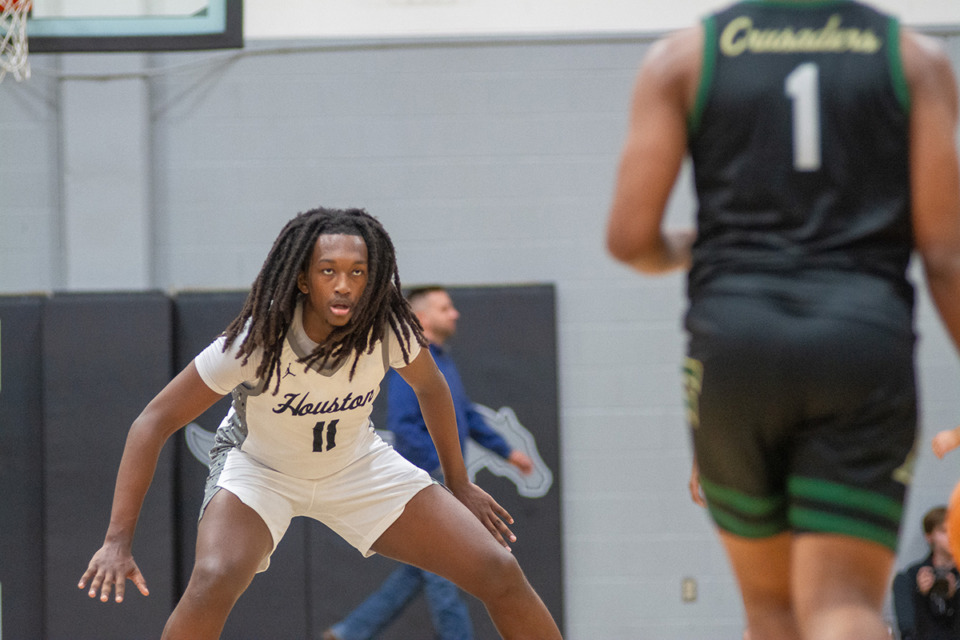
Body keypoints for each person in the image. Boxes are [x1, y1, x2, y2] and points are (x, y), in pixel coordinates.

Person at [605, 1, 960, 638]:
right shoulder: (917, 60)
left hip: (735, 346)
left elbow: (631, 240)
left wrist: (699, 246)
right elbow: (946, 255)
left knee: (772, 615)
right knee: (843, 606)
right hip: (861, 338)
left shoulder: (683, 57)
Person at [77, 207, 563, 640]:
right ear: (305, 279)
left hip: (355, 466)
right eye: (329, 271)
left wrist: (458, 483)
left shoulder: (389, 327)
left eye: (358, 272)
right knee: (213, 577)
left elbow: (432, 387)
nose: (345, 284)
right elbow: (152, 421)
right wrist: (117, 540)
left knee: (499, 570)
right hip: (260, 471)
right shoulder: (257, 340)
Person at [324, 286, 534, 640]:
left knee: (421, 572)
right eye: (445, 307)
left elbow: (464, 414)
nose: (455, 314)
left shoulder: (444, 362)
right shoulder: (412, 365)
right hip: (429, 485)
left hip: (443, 483)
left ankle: (348, 633)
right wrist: (434, 478)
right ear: (422, 318)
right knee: (447, 575)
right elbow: (405, 427)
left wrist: (507, 452)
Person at [893, 507, 960, 640]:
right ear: (929, 537)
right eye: (944, 531)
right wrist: (921, 595)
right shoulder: (910, 577)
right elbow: (908, 631)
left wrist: (955, 598)